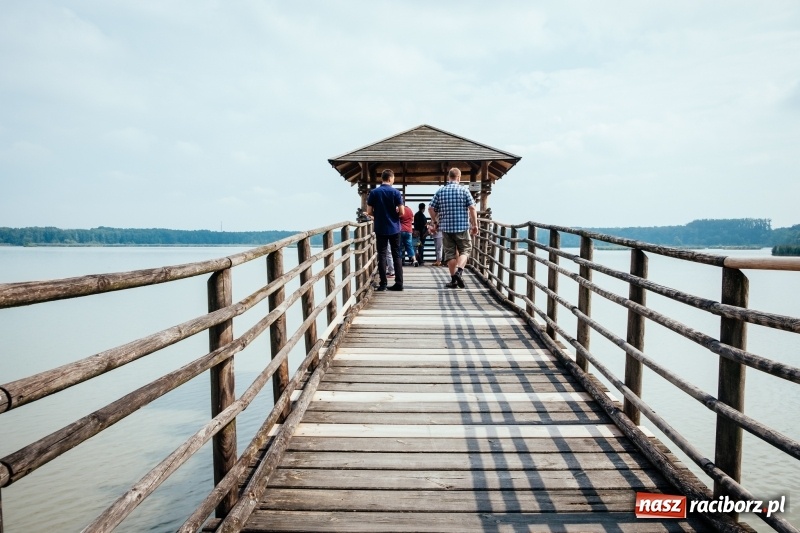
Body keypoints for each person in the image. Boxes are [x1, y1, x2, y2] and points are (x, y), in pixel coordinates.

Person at [428, 167, 478, 289]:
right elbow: (472, 208)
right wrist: (475, 224)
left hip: (446, 228)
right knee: (465, 250)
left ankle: (453, 281)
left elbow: (430, 208)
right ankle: (459, 272)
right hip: (462, 227)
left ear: (449, 177)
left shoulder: (441, 191)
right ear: (459, 177)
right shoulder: (464, 190)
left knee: (449, 254)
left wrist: (435, 221)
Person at [367, 169, 404, 291]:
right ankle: (399, 283)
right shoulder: (396, 192)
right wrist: (395, 215)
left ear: (382, 178)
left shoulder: (374, 193)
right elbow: (402, 212)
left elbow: (369, 211)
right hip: (394, 227)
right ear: (390, 178)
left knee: (382, 255)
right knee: (396, 254)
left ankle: (383, 283)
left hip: (380, 227)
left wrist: (377, 215)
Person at [399, 202, 417, 266]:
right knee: (410, 246)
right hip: (409, 230)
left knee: (399, 246)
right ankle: (414, 260)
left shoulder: (399, 210)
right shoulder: (409, 210)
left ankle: (400, 261)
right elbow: (412, 219)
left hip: (400, 230)